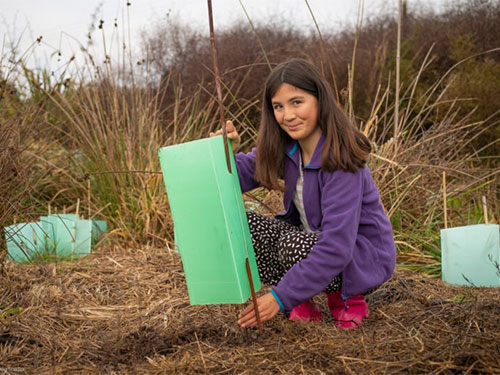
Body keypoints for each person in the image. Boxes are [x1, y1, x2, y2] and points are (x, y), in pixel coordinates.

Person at [210, 58, 396, 329]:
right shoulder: (286, 148)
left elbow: (336, 246)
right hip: (312, 245)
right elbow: (233, 178)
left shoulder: (341, 162)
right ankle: (304, 301)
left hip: (359, 257)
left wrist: (278, 297)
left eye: (297, 102)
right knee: (244, 225)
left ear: (319, 100)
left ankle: (347, 299)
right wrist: (226, 152)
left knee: (292, 245)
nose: (287, 115)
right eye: (278, 106)